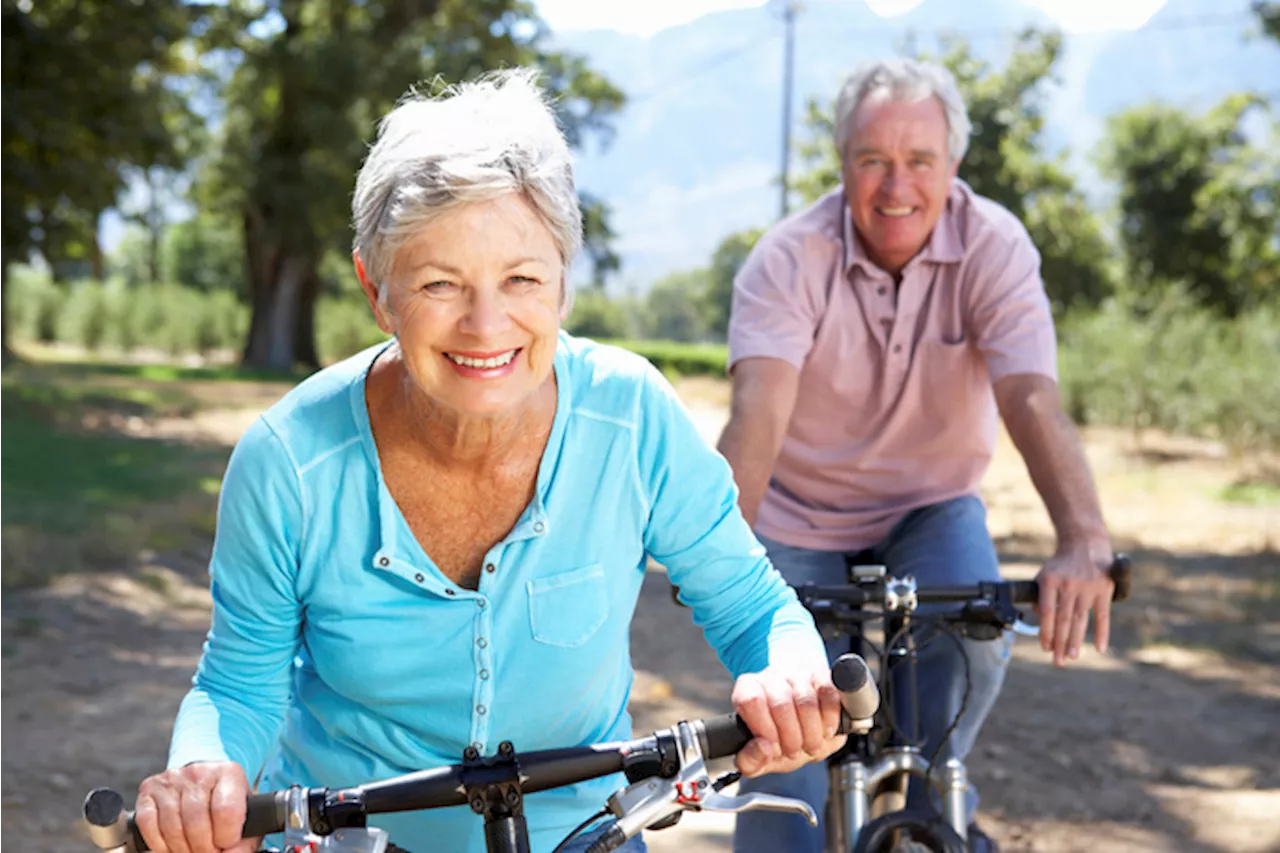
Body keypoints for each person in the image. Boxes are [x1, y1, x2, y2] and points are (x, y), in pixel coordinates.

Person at [133, 69, 848, 853]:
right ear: (378, 290)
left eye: (521, 279)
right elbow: (238, 681)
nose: (486, 324)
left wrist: (788, 667)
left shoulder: (633, 415)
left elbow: (753, 607)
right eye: (441, 283)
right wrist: (204, 771)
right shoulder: (288, 463)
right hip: (352, 839)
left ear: (564, 284)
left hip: (583, 834)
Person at [721, 59, 1118, 853]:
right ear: (842, 165)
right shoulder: (787, 258)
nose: (895, 185)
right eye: (873, 159)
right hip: (800, 512)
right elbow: (757, 416)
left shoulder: (995, 246)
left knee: (976, 637)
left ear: (954, 167)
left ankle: (928, 796)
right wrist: (720, 557)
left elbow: (1030, 398)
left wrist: (1082, 540)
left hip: (930, 506)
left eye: (919, 161)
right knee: (787, 746)